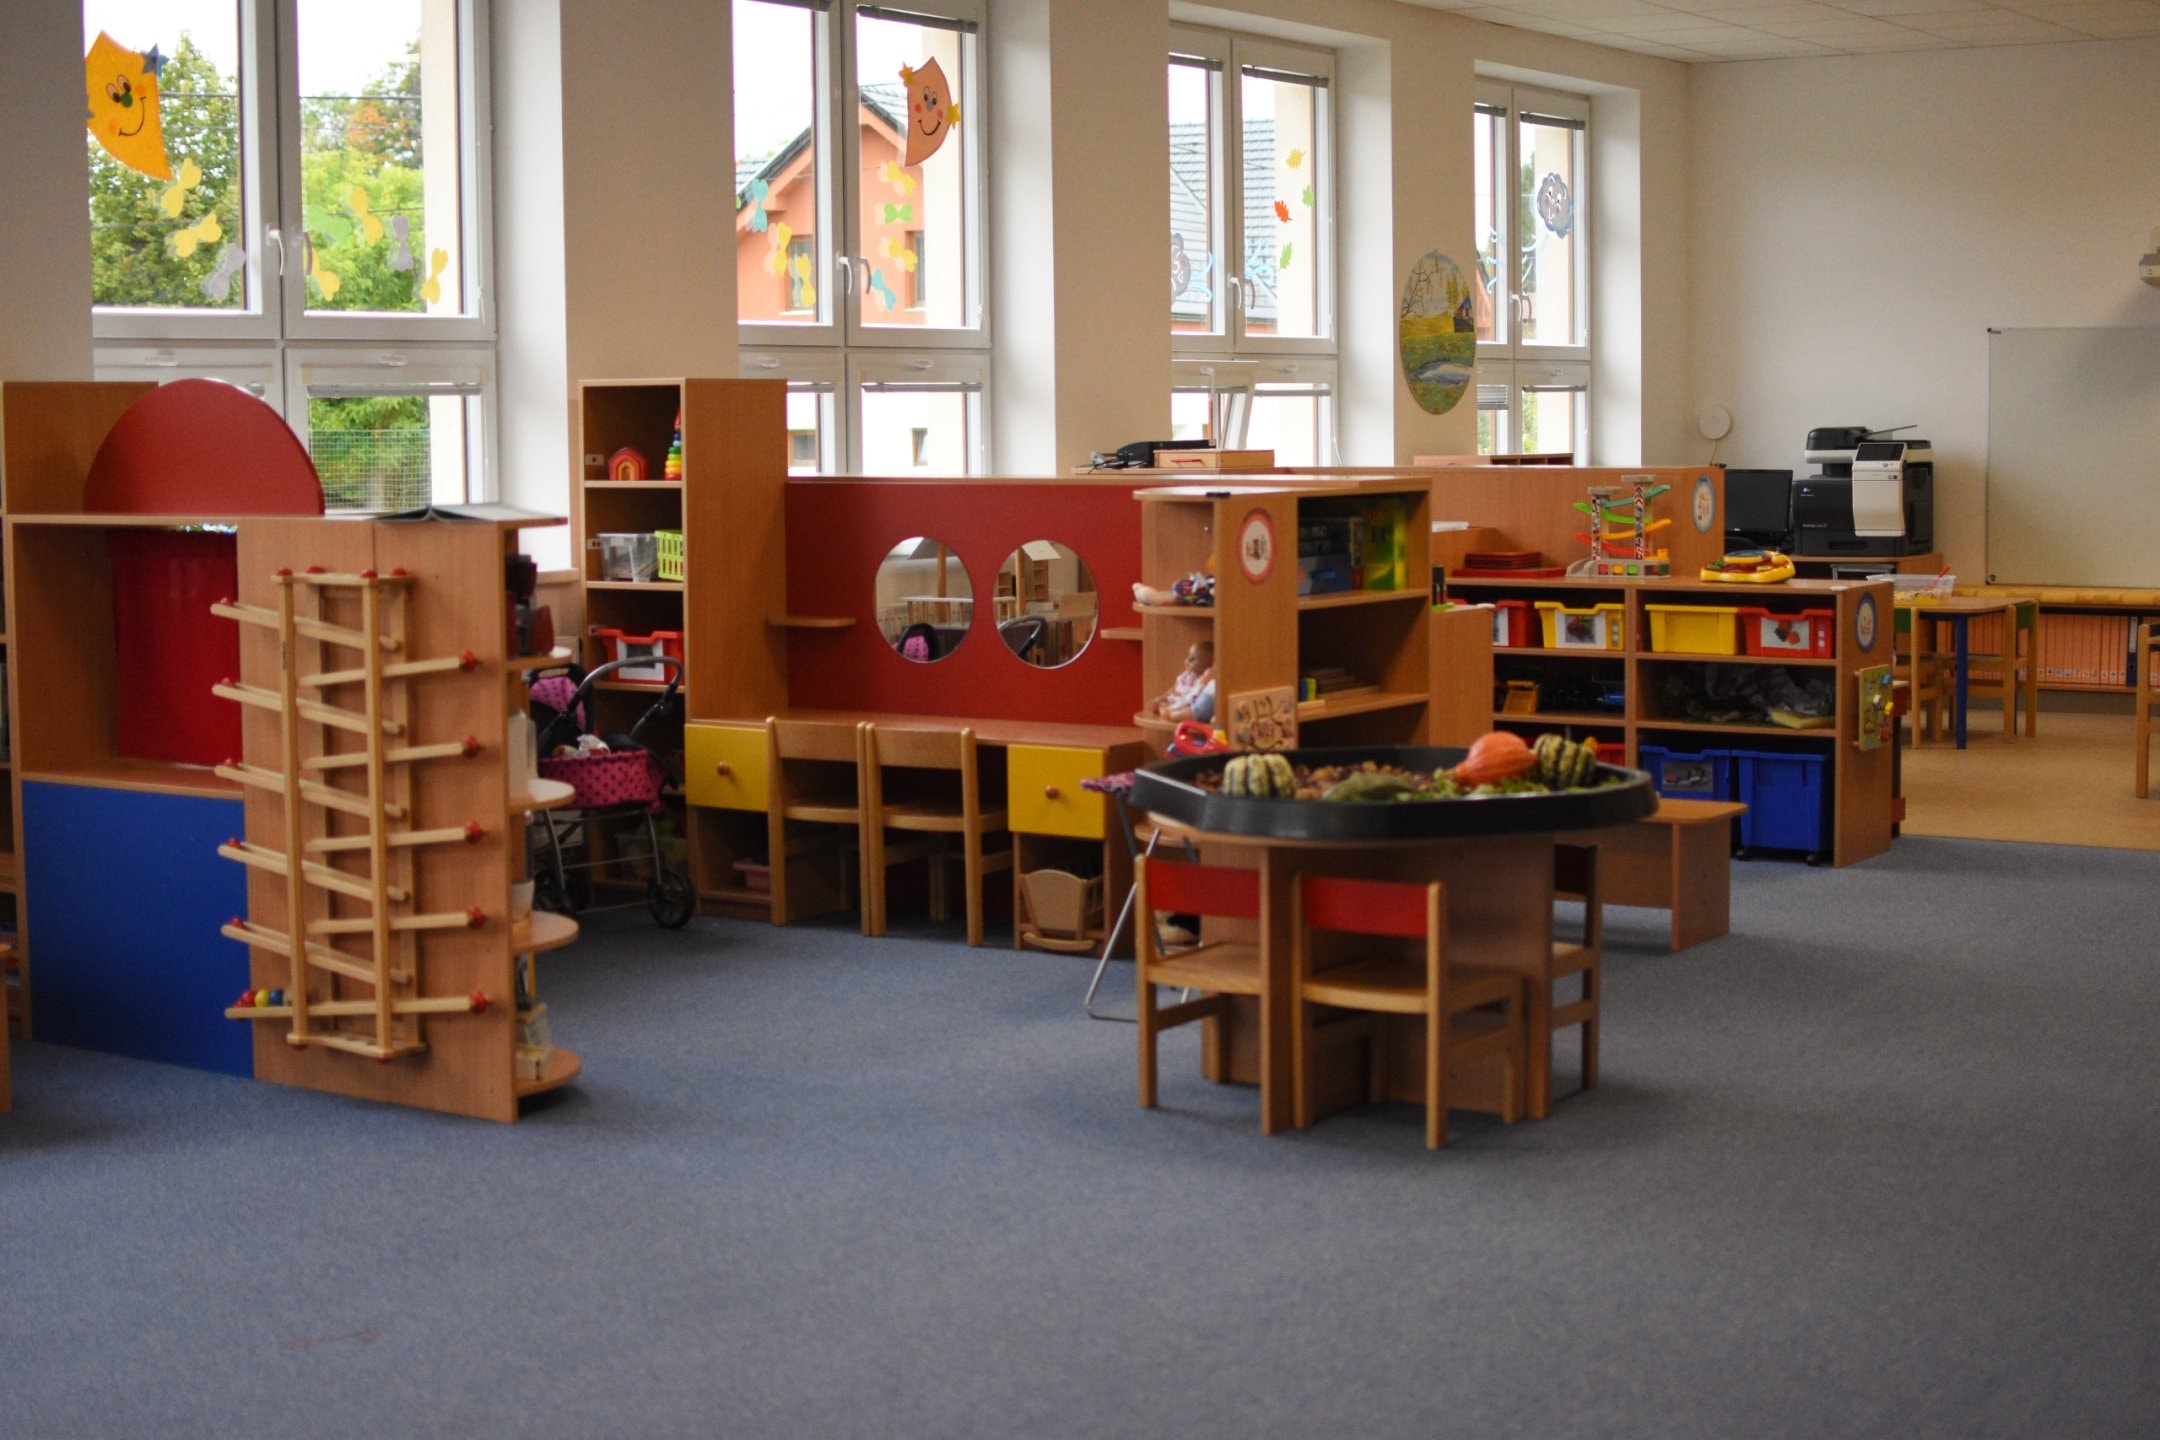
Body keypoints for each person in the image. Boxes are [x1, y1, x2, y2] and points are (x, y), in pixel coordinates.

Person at [1153, 641, 1215, 721]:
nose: (1187, 661)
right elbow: (1174, 688)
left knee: (1173, 710)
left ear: (1208, 665)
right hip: (1176, 700)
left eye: (1192, 659)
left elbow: (1190, 698)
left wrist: (1173, 707)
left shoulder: (1202, 680)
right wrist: (1164, 696)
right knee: (1156, 703)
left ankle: (1170, 713)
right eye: (1188, 657)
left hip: (1185, 704)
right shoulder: (1186, 675)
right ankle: (1166, 709)